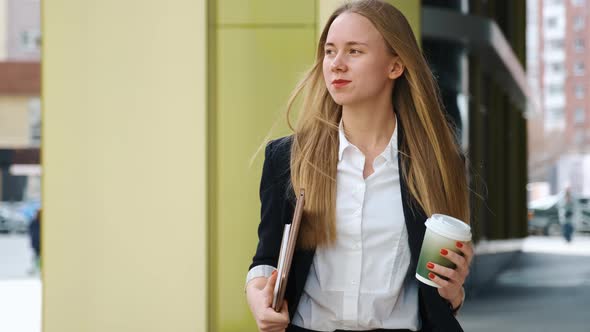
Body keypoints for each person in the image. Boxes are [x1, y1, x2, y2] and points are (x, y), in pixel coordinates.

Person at [245, 1, 474, 331]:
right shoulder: (288, 159)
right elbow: (266, 260)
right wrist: (257, 294)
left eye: (354, 51)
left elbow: (440, 289)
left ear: (395, 66)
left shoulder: (437, 163)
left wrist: (453, 292)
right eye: (329, 51)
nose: (336, 64)